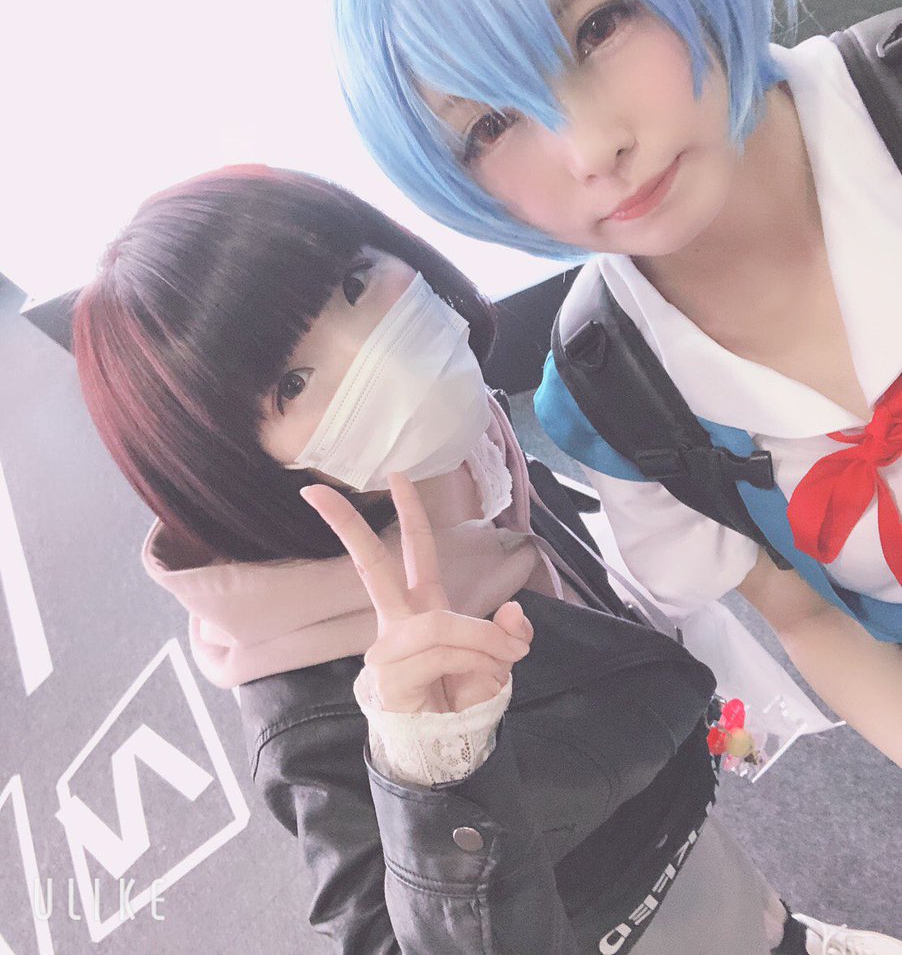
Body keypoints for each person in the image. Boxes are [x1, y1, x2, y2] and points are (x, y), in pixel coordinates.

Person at [70, 165, 884, 953]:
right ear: (234, 465)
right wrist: (433, 774)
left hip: (675, 817)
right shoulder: (313, 707)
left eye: (354, 283)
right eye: (292, 384)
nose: (373, 352)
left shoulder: (454, 448)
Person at [330, 0, 902, 766]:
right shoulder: (613, 393)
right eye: (490, 125)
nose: (590, 150)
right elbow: (809, 619)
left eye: (595, 27)